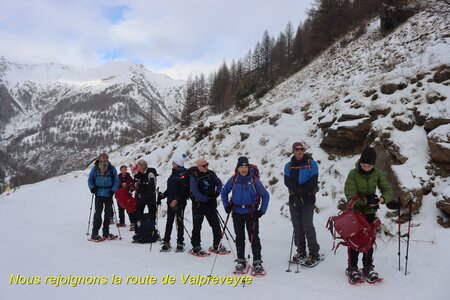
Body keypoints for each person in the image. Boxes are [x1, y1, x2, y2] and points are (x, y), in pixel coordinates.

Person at [344, 146, 393, 283]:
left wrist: (381, 199)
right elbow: (350, 195)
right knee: (354, 240)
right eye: (364, 165)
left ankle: (367, 267)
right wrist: (367, 201)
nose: (366, 168)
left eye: (369, 166)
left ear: (373, 165)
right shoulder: (353, 174)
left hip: (370, 212)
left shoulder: (376, 173)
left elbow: (388, 190)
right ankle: (352, 267)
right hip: (356, 213)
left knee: (369, 240)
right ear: (360, 162)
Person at [221, 157, 270, 273]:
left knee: (254, 237)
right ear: (237, 168)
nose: (243, 169)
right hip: (237, 212)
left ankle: (257, 261)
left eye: (245, 167)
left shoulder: (254, 180)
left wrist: (262, 211)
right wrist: (226, 205)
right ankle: (241, 260)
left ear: (248, 167)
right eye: (241, 167)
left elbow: (265, 195)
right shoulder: (233, 179)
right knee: (239, 237)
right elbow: (224, 193)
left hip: (251, 213)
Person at [284, 142, 321, 267]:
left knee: (307, 224)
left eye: (301, 149)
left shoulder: (311, 164)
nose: (299, 151)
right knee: (297, 224)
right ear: (293, 151)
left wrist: (302, 192)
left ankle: (314, 252)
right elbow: (287, 181)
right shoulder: (288, 165)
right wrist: (297, 192)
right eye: (297, 149)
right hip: (294, 197)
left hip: (308, 198)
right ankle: (301, 251)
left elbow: (313, 180)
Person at [189, 158, 226, 255]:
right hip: (198, 205)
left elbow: (219, 183)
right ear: (198, 166)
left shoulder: (211, 174)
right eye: (204, 165)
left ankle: (217, 244)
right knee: (197, 227)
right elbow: (195, 192)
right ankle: (196, 246)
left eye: (207, 164)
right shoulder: (194, 176)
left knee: (215, 224)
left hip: (210, 204)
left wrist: (216, 194)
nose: (206, 167)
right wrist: (207, 199)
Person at [160, 154, 188, 252]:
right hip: (170, 202)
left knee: (179, 222)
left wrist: (176, 200)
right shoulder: (174, 174)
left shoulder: (183, 175)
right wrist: (163, 195)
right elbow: (170, 189)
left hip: (179, 204)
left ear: (176, 164)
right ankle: (166, 241)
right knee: (169, 222)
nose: (172, 164)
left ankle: (180, 243)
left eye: (173, 162)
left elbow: (185, 191)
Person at [88, 152, 119, 240]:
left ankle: (106, 233)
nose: (104, 159)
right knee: (98, 214)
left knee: (107, 214)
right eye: (103, 158)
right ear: (100, 159)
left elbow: (116, 180)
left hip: (108, 193)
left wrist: (113, 190)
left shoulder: (112, 168)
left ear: (107, 159)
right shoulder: (95, 168)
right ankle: (94, 233)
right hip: (98, 193)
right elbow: (90, 180)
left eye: (106, 158)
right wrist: (92, 188)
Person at [133, 159, 159, 236]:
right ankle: (138, 231)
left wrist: (143, 194)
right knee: (138, 214)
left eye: (138, 166)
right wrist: (135, 185)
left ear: (143, 167)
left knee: (152, 213)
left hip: (150, 198)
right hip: (140, 198)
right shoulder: (137, 175)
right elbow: (135, 182)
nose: (136, 168)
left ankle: (152, 230)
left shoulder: (150, 174)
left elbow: (152, 187)